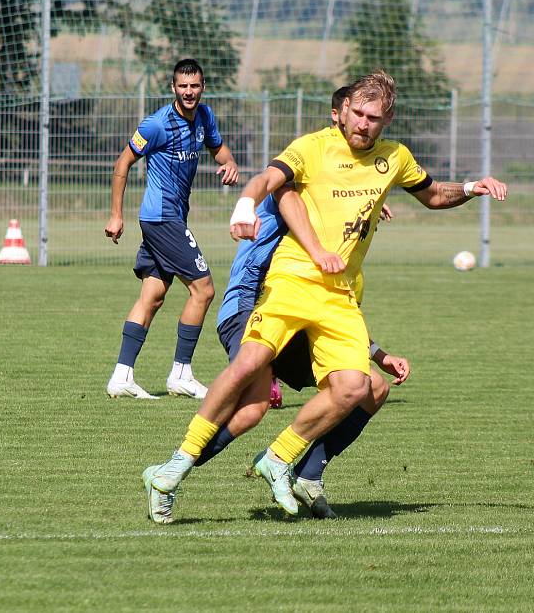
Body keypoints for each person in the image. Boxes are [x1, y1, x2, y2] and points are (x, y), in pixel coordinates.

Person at [143, 70, 507, 523]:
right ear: (342, 111)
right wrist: (244, 205)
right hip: (288, 281)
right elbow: (269, 184)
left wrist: (472, 188)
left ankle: (283, 461)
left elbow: (432, 195)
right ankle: (177, 464)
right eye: (358, 113)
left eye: (375, 117)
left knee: (360, 387)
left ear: (387, 119)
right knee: (251, 374)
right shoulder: (313, 148)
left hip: (339, 296)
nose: (364, 123)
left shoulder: (394, 158)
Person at [104, 59, 239, 400]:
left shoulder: (205, 117)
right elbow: (122, 165)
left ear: (202, 87)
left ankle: (121, 376)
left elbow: (218, 149)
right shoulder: (156, 125)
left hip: (172, 217)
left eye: (194, 86)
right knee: (204, 290)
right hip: (161, 218)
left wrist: (230, 163)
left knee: (152, 296)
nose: (189, 92)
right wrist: (116, 215)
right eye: (183, 86)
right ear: (173, 88)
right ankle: (181, 373)